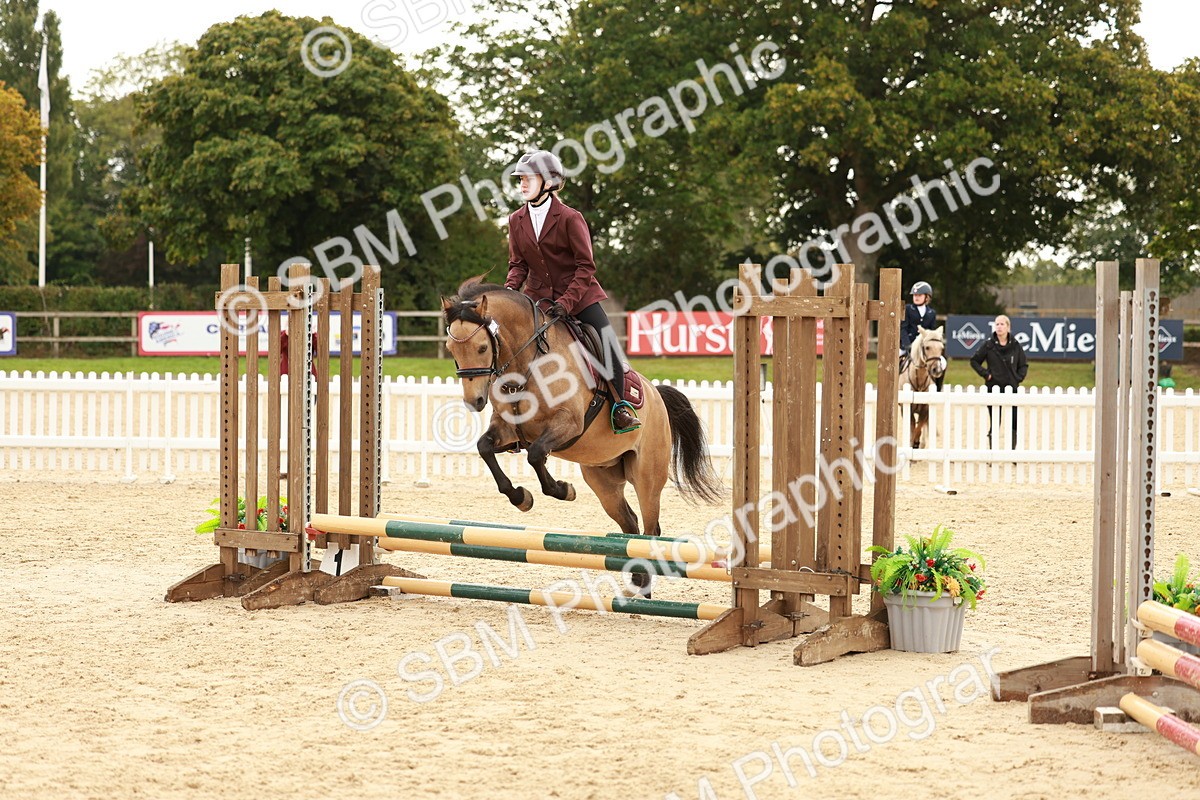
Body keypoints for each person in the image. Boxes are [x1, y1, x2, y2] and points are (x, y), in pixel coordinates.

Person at [503, 150, 640, 433]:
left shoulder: (569, 217)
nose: (522, 184)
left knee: (608, 345)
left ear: (549, 181)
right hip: (538, 299)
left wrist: (567, 301)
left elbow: (585, 267)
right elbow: (518, 265)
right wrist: (508, 293)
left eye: (528, 178)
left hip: (580, 298)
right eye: (520, 179)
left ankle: (620, 408)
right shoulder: (516, 220)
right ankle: (513, 415)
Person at [970, 314, 1028, 449]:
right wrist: (986, 374)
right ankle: (993, 452)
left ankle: (1013, 452)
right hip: (993, 388)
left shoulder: (1015, 345)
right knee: (995, 421)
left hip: (1011, 389)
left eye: (1002, 324)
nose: (999, 327)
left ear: (1008, 327)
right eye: (997, 324)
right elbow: (974, 361)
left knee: (1014, 421)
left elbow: (1023, 365)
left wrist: (1018, 378)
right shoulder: (989, 345)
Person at [899, 281, 943, 390]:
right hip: (908, 344)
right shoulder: (908, 309)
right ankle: (892, 386)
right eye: (915, 295)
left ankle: (937, 387)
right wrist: (907, 345)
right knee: (895, 359)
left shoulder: (931, 313)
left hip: (925, 347)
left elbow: (932, 331)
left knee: (942, 362)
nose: (916, 297)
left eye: (919, 295)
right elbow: (903, 328)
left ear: (927, 297)